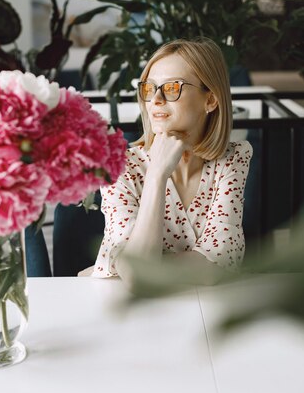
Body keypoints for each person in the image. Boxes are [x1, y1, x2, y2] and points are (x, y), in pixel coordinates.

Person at [80, 38, 252, 286]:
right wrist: (157, 175)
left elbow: (224, 261)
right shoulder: (118, 164)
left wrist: (140, 267)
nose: (156, 100)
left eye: (172, 88)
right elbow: (139, 277)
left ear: (211, 100)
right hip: (125, 310)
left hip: (204, 307)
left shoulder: (233, 159)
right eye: (149, 89)